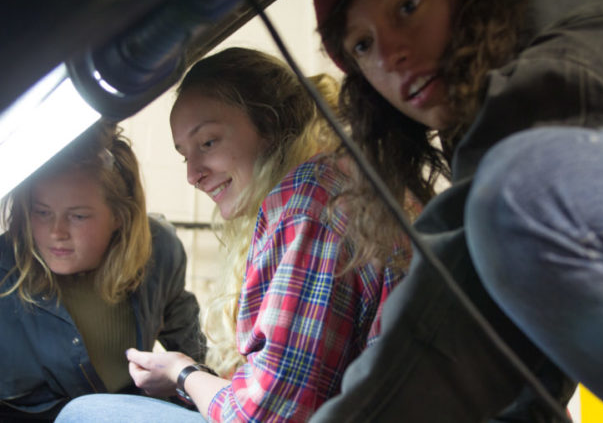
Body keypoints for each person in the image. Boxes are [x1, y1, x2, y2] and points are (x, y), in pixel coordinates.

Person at [310, 0, 603, 422]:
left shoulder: (559, 72)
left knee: (518, 192)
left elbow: (451, 323)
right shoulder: (492, 91)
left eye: (407, 7)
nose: (391, 56)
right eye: (362, 45)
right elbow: (523, 353)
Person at [54, 47, 409, 423]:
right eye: (184, 155)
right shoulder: (335, 181)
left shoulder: (309, 201)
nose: (193, 175)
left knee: (85, 414)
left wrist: (183, 373)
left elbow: (265, 417)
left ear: (270, 126)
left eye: (207, 142)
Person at [0, 121, 207, 422]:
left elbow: (193, 353)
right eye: (42, 212)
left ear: (119, 216)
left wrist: (197, 381)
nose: (56, 231)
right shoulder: (4, 268)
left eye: (78, 216)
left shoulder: (159, 250)